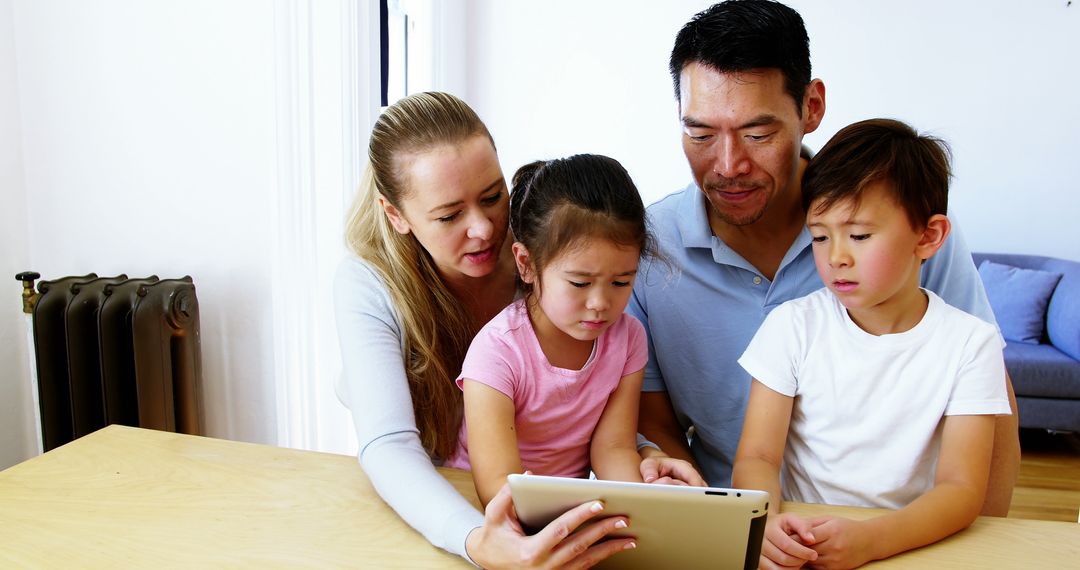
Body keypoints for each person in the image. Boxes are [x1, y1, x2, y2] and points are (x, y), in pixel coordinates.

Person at [626, 0, 1020, 514]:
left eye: (758, 134)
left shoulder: (901, 236)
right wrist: (723, 522)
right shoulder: (648, 247)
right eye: (699, 134)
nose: (728, 165)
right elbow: (653, 421)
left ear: (811, 107)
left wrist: (985, 546)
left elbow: (992, 402)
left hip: (901, 524)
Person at [335, 91, 697, 569]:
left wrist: (642, 457)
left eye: (492, 197)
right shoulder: (369, 284)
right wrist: (476, 540)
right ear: (395, 213)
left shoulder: (546, 249)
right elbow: (389, 446)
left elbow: (585, 405)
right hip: (444, 506)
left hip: (535, 509)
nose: (485, 230)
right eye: (448, 215)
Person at [732, 118, 1010, 569]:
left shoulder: (970, 344)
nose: (836, 256)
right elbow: (758, 455)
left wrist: (872, 541)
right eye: (820, 236)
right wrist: (766, 521)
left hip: (911, 543)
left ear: (928, 236)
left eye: (859, 235)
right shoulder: (792, 326)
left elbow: (961, 489)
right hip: (806, 542)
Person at [444, 155, 693, 507]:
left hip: (561, 508)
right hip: (477, 504)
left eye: (621, 282)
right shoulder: (497, 351)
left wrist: (644, 506)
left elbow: (613, 448)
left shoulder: (628, 339)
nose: (600, 303)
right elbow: (496, 483)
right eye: (580, 283)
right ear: (527, 264)